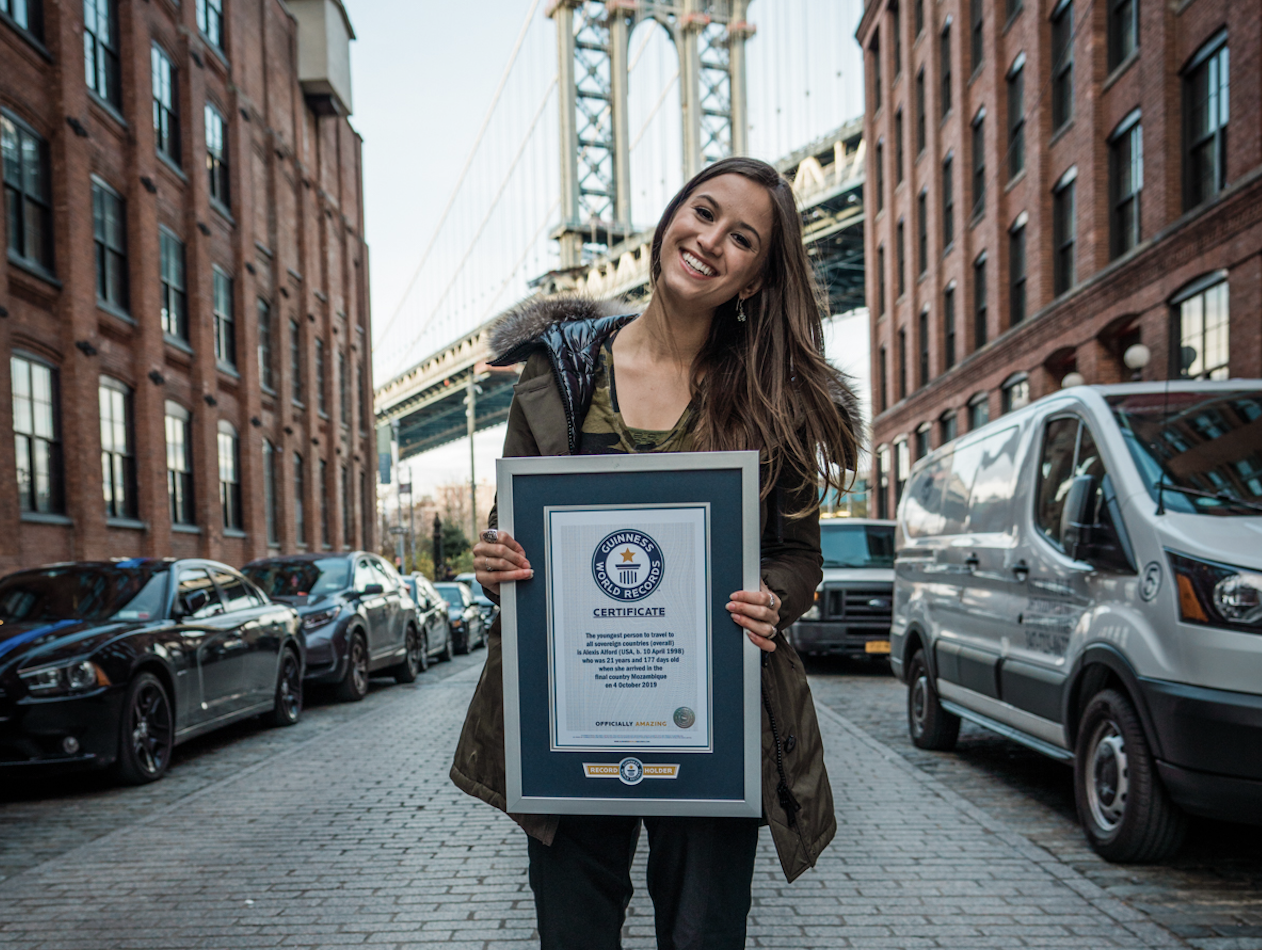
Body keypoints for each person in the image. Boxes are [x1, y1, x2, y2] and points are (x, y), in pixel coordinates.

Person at [450, 156, 860, 950]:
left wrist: (773, 595)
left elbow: (799, 557)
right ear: (671, 215)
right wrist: (496, 559)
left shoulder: (773, 393)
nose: (710, 241)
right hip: (570, 718)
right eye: (702, 213)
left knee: (704, 936)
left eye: (742, 239)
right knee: (573, 934)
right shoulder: (558, 373)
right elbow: (514, 527)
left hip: (715, 718)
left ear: (753, 280)